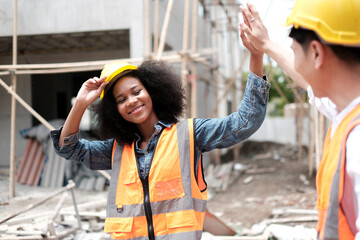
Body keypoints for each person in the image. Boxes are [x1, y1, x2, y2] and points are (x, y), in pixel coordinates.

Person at [50, 42, 270, 238]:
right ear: (115, 110)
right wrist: (80, 104)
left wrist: (256, 56)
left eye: (136, 91)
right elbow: (68, 149)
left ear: (152, 91)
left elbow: (245, 122)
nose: (132, 101)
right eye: (121, 99)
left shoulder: (189, 135)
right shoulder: (116, 150)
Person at [239, 0, 360, 239]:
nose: (293, 60)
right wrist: (266, 45)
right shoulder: (346, 111)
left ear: (315, 52)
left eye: (294, 50)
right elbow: (310, 85)